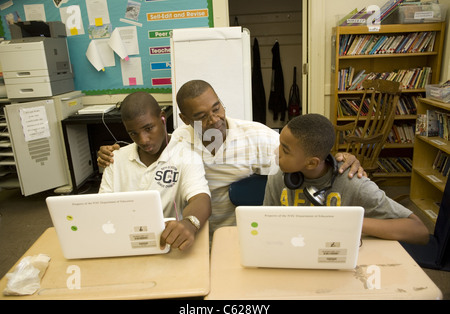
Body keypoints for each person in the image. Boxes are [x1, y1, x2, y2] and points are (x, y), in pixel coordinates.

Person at [97, 80, 365, 238]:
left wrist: (339, 159)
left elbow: (306, 158)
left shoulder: (256, 137)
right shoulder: (178, 140)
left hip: (241, 234)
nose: (214, 119)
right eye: (201, 116)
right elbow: (147, 144)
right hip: (194, 234)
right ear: (185, 120)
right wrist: (112, 154)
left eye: (217, 108)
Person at [263, 113, 429, 244]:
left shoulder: (353, 183)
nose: (276, 152)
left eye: (285, 150)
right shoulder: (279, 177)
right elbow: (266, 225)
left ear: (312, 163)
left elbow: (419, 232)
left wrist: (349, 221)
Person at [98, 91, 211, 250]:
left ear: (162, 117)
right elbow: (101, 208)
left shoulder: (186, 155)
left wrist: (190, 223)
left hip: (167, 242)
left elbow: (200, 198)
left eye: (148, 128)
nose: (143, 140)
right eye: (133, 133)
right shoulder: (114, 159)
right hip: (122, 242)